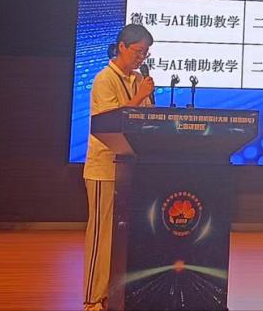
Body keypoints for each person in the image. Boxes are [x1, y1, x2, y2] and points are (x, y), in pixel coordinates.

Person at [82, 24, 155, 311]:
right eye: (138, 51)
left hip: (130, 169)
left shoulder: (138, 80)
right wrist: (138, 97)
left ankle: (116, 296)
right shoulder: (105, 79)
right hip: (104, 169)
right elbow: (109, 121)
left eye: (146, 53)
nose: (141, 58)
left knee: (124, 238)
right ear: (122, 47)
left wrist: (147, 99)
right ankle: (92, 299)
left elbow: (143, 120)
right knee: (101, 237)